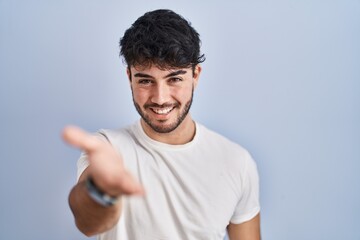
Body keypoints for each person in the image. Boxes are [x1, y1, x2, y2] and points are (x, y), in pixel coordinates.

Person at [63, 9, 261, 240]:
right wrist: (102, 190)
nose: (160, 98)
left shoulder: (236, 161)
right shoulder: (107, 149)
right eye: (146, 81)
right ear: (129, 77)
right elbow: (88, 223)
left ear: (195, 75)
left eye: (174, 79)